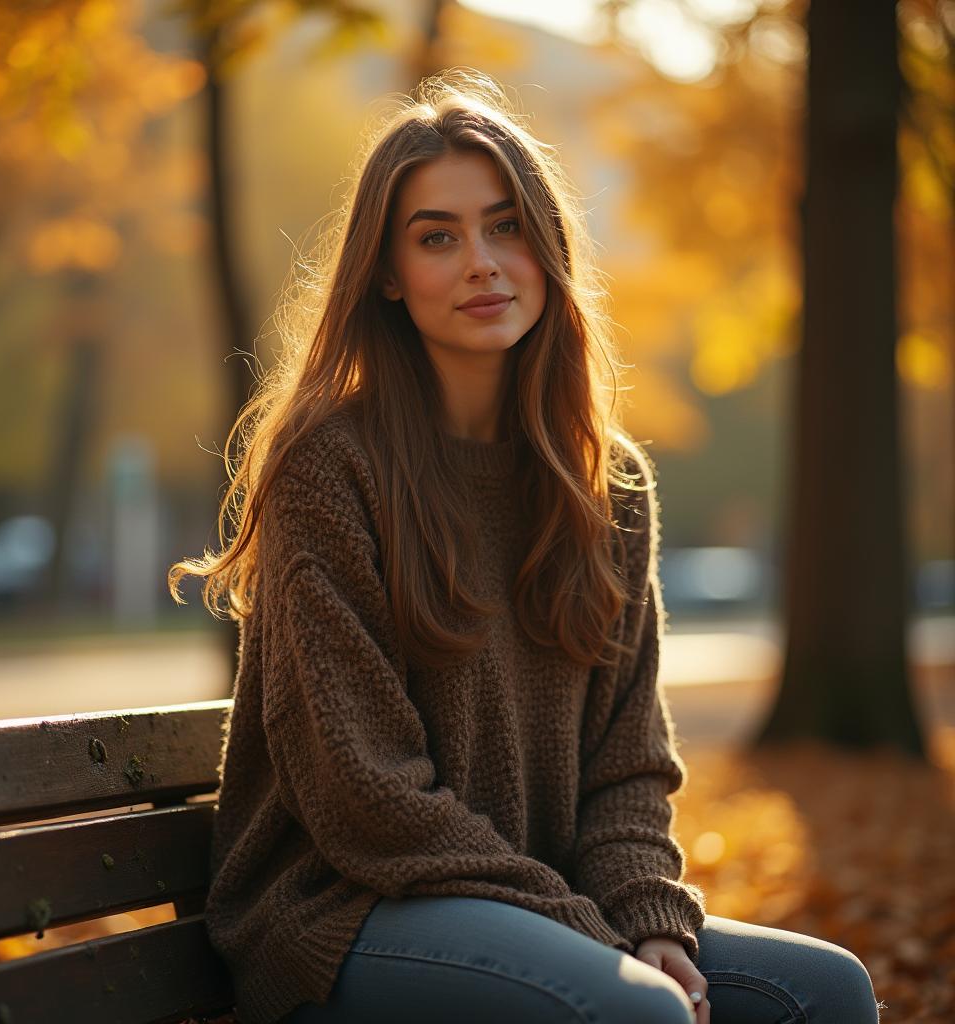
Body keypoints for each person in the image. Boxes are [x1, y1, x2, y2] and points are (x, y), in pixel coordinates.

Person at [169, 70, 881, 1024]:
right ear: (386, 274)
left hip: (538, 904)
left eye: (506, 227)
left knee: (827, 993)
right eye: (437, 237)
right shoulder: (328, 468)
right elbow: (363, 794)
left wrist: (647, 918)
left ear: (547, 249)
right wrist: (586, 928)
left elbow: (627, 765)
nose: (482, 263)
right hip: (341, 914)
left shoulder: (605, 484)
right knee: (638, 1012)